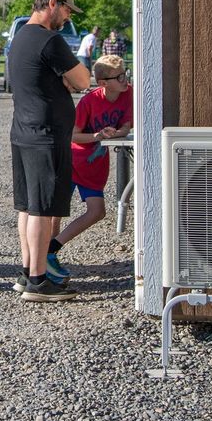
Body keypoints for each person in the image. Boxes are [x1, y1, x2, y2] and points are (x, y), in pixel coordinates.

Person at [8, 0, 91, 303]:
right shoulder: (49, 39)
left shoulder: (20, 39)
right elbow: (83, 80)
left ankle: (28, 272)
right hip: (46, 135)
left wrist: (61, 80)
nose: (68, 17)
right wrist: (67, 79)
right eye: (67, 9)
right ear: (53, 3)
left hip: (23, 131)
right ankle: (39, 281)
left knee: (28, 206)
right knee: (42, 209)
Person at [47, 54, 134, 281]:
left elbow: (126, 123)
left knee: (97, 212)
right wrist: (97, 135)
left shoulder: (129, 94)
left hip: (94, 164)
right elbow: (72, 135)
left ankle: (51, 249)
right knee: (55, 212)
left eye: (125, 74)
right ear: (104, 83)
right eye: (120, 77)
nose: (125, 80)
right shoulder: (89, 101)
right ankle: (46, 261)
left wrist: (120, 132)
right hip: (72, 159)